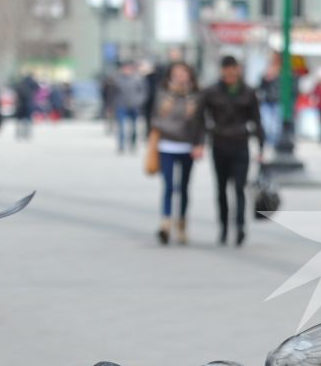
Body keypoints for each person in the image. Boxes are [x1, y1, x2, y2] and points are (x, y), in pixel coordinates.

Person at [201, 53, 263, 246]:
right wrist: (201, 139)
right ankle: (223, 227)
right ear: (221, 71)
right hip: (219, 143)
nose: (229, 74)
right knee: (220, 189)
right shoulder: (211, 91)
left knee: (239, 188)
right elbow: (199, 117)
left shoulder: (248, 91)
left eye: (233, 70)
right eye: (226, 71)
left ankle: (240, 227)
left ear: (237, 70)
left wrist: (261, 147)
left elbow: (257, 120)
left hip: (240, 144)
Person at [151, 61, 205, 244]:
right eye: (177, 73)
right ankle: (165, 224)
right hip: (167, 145)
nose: (181, 77)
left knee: (184, 187)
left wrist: (200, 143)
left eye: (184, 73)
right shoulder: (163, 93)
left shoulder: (196, 96)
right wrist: (173, 96)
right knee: (168, 186)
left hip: (187, 146)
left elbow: (200, 122)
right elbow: (157, 117)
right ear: (171, 75)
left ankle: (181, 224)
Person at [110, 61, 147, 152]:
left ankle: (133, 144)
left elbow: (143, 91)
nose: (126, 70)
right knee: (121, 127)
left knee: (134, 127)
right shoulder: (117, 80)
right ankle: (121, 146)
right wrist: (113, 104)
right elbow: (112, 93)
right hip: (121, 105)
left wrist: (139, 101)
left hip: (134, 105)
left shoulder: (137, 79)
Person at [256, 57, 284, 148]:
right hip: (267, 102)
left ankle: (275, 141)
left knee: (276, 124)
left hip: (277, 102)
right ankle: (268, 140)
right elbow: (260, 88)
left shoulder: (281, 77)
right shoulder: (265, 78)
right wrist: (266, 79)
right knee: (267, 123)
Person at [11, 72, 36, 139]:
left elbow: (16, 91)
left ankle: (19, 133)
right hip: (28, 104)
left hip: (20, 104)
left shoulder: (20, 83)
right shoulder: (31, 83)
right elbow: (36, 88)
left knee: (19, 120)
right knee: (27, 119)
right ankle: (26, 134)